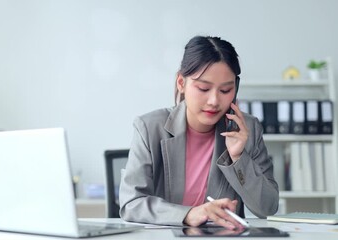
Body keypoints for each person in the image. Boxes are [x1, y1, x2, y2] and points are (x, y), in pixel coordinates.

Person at [119, 35, 279, 229]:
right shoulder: (149, 127)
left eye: (225, 90)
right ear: (181, 83)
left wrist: (238, 158)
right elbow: (131, 204)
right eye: (203, 88)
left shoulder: (248, 129)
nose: (214, 100)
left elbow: (268, 208)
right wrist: (189, 214)